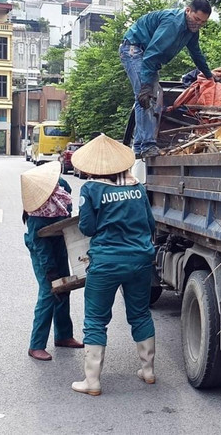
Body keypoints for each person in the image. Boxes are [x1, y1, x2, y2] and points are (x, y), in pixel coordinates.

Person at [69, 134, 156, 396]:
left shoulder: (91, 189)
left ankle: (92, 382)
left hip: (106, 262)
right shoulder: (137, 187)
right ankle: (148, 371)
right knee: (140, 314)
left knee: (96, 319)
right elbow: (150, 224)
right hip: (140, 260)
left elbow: (87, 227)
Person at [121, 0, 215, 159]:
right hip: (134, 49)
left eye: (203, 22)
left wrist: (210, 76)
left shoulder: (192, 31)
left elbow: (196, 54)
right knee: (147, 98)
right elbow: (151, 54)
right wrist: (145, 86)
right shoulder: (173, 23)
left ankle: (138, 146)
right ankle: (147, 146)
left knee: (155, 100)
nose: (198, 24)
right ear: (187, 10)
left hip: (148, 57)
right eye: (196, 19)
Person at [20, 161, 84, 361]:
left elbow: (69, 212)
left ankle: (63, 335)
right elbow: (40, 246)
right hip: (42, 250)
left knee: (64, 288)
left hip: (59, 243)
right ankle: (36, 345)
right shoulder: (35, 211)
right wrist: (50, 270)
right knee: (49, 291)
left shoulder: (62, 186)